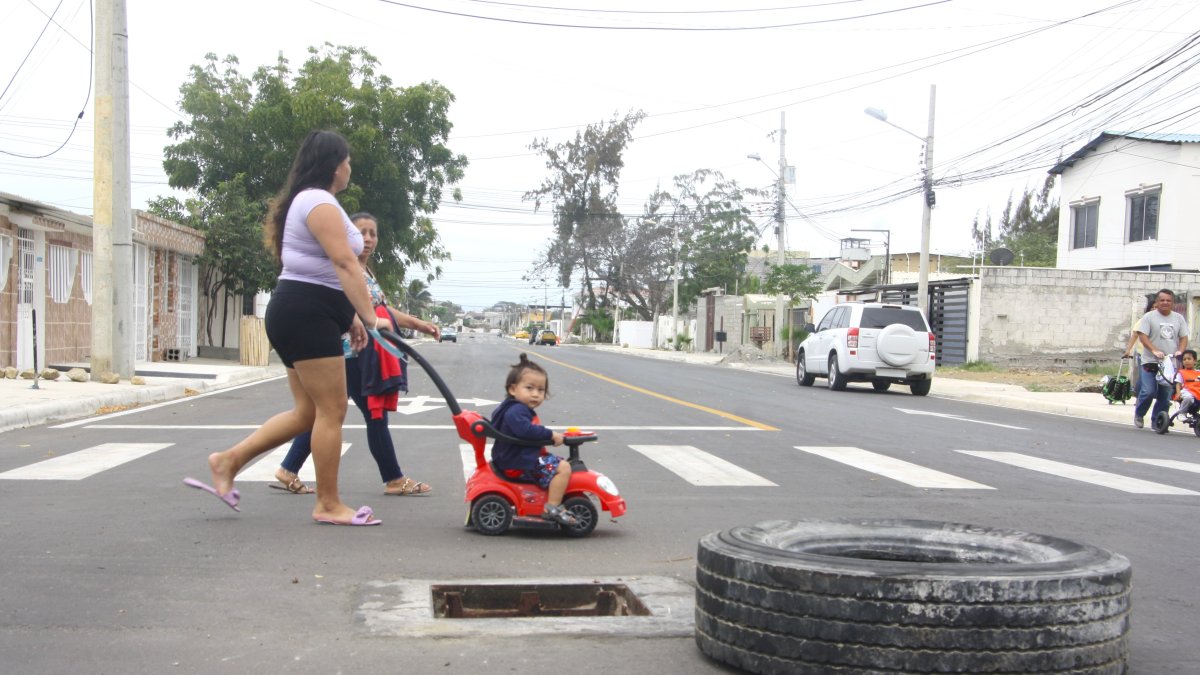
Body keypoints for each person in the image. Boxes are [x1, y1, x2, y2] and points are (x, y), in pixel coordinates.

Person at [183, 130, 386, 526]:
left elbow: (320, 268)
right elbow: (345, 264)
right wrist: (370, 316)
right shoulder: (318, 202)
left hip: (306, 310)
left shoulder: (313, 201)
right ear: (333, 163)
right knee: (333, 409)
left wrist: (349, 317)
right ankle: (328, 503)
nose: (350, 168)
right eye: (347, 160)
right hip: (305, 312)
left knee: (308, 412)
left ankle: (229, 461)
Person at [273, 212, 440, 496]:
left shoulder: (365, 271)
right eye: (361, 232)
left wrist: (417, 323)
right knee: (371, 415)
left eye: (372, 233)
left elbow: (381, 311)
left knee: (324, 413)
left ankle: (288, 468)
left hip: (359, 353)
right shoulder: (344, 269)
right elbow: (346, 308)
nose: (368, 239)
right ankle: (393, 479)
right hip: (348, 352)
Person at [488, 354, 577, 526]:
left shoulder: (513, 407)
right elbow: (526, 430)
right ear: (513, 389)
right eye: (529, 388)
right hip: (517, 463)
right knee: (563, 468)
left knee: (556, 461)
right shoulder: (516, 411)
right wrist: (550, 435)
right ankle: (552, 507)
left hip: (514, 457)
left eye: (540, 390)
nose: (535, 394)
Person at [1133, 288, 1190, 429]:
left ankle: (1157, 421)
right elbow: (1142, 336)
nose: (1165, 303)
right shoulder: (1148, 317)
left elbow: (1183, 337)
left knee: (1165, 395)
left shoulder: (1179, 318)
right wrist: (1154, 350)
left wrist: (1180, 352)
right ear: (1157, 302)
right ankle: (1139, 414)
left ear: (1173, 303)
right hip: (1150, 361)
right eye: (1162, 300)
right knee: (1149, 391)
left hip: (1169, 363)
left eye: (1168, 300)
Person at [1122, 296, 1156, 401]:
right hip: (1143, 353)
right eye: (1153, 308)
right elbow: (1134, 336)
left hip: (1158, 355)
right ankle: (1139, 397)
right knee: (1144, 377)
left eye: (1157, 308)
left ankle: (1161, 398)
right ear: (1149, 309)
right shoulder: (1143, 320)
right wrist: (1128, 350)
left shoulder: (1164, 321)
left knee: (1160, 378)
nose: (1155, 310)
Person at [1172, 349, 1200, 415]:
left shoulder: (1198, 373)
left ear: (1195, 361)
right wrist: (1178, 393)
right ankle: (1182, 413)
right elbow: (1178, 384)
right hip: (1186, 391)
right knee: (1188, 398)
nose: (1186, 361)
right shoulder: (1182, 373)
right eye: (1184, 359)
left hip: (1197, 391)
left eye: (1189, 359)